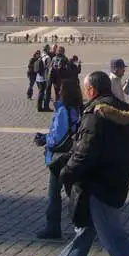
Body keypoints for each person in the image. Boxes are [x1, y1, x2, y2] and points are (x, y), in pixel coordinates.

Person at [41, 71, 129, 256]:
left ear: (93, 90)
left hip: (98, 186)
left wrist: (66, 172)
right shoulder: (126, 112)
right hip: (116, 180)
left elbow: (85, 151)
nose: (85, 94)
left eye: (86, 89)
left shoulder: (95, 114)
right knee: (85, 232)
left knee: (114, 238)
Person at [36, 79, 84, 240]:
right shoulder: (78, 108)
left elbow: (57, 136)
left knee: (54, 194)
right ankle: (84, 224)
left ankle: (53, 227)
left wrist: (44, 139)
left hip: (59, 157)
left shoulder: (63, 110)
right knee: (73, 192)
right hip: (72, 154)